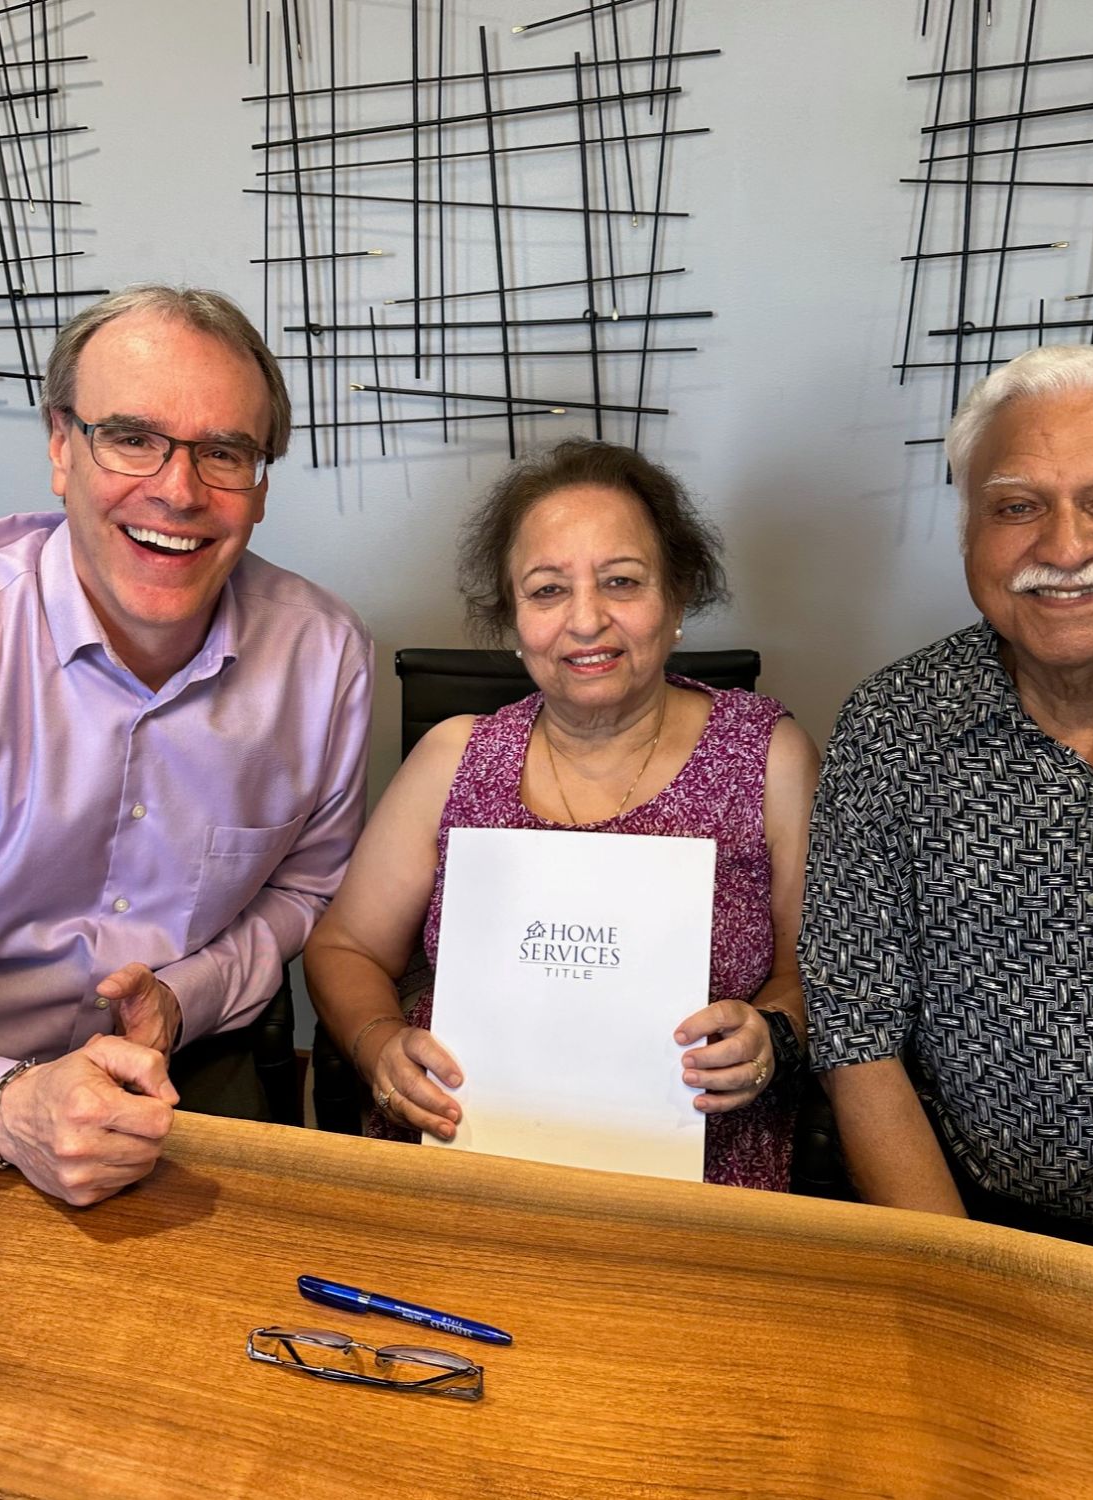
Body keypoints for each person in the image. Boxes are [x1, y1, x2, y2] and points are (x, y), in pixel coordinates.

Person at [0, 285, 372, 1206]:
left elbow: (305, 889)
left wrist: (189, 994)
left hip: (183, 1076)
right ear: (61, 447)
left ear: (260, 487)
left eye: (223, 452)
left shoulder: (325, 656)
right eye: (133, 438)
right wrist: (1, 1105)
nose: (178, 491)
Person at [804, 343, 1093, 1277]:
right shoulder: (889, 729)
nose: (1062, 548)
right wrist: (963, 1287)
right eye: (1016, 506)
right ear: (969, 532)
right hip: (961, 1230)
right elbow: (855, 1036)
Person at [305, 438, 818, 1189]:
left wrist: (771, 1035)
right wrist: (377, 1042)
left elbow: (818, 973)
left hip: (696, 1174)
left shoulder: (768, 755)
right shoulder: (454, 758)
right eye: (547, 590)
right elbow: (344, 947)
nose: (585, 620)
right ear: (513, 621)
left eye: (621, 581)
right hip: (463, 1153)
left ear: (677, 598)